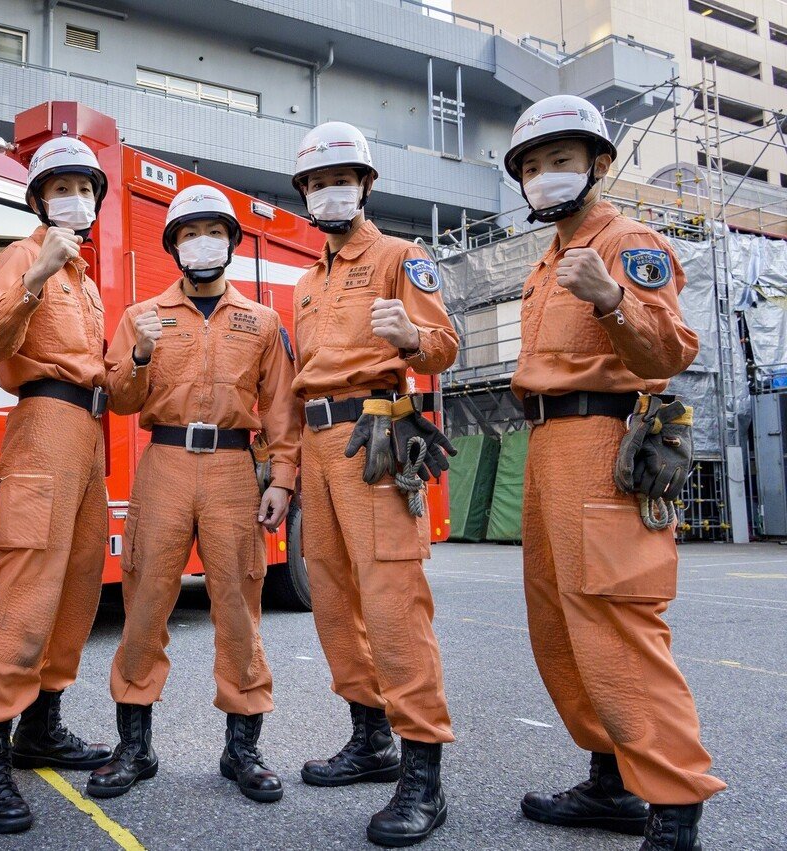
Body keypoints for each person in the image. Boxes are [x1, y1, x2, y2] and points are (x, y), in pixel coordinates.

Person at [504, 94, 724, 851]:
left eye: (559, 162)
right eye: (530, 168)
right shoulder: (548, 257)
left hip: (602, 443)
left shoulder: (629, 242)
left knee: (617, 620)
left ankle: (674, 804)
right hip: (544, 447)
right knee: (561, 626)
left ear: (599, 165)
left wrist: (611, 301)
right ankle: (612, 780)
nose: (543, 178)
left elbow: (670, 352)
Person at [87, 185, 300, 803]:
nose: (201, 241)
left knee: (238, 605)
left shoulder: (261, 321)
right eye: (188, 232)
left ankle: (243, 750)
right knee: (146, 601)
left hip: (235, 469)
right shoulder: (142, 316)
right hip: (165, 465)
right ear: (174, 246)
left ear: (232, 243)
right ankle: (135, 746)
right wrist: (142, 355)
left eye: (214, 230)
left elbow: (281, 409)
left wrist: (282, 479)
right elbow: (121, 400)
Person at [290, 121, 459, 847]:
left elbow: (445, 344)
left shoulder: (400, 257)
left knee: (392, 601)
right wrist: (288, 470)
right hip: (316, 437)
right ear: (306, 194)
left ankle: (422, 773)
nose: (330, 191)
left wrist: (412, 336)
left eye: (342, 179)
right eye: (317, 182)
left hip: (376, 435)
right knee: (331, 596)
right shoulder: (306, 281)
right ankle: (370, 738)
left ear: (364, 186)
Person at [0, 136, 115, 834]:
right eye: (60, 186)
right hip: (43, 423)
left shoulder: (85, 280)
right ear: (36, 198)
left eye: (85, 186)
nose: (74, 197)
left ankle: (42, 727)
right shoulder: (25, 258)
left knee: (80, 585)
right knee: (26, 589)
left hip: (89, 434)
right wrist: (34, 275)